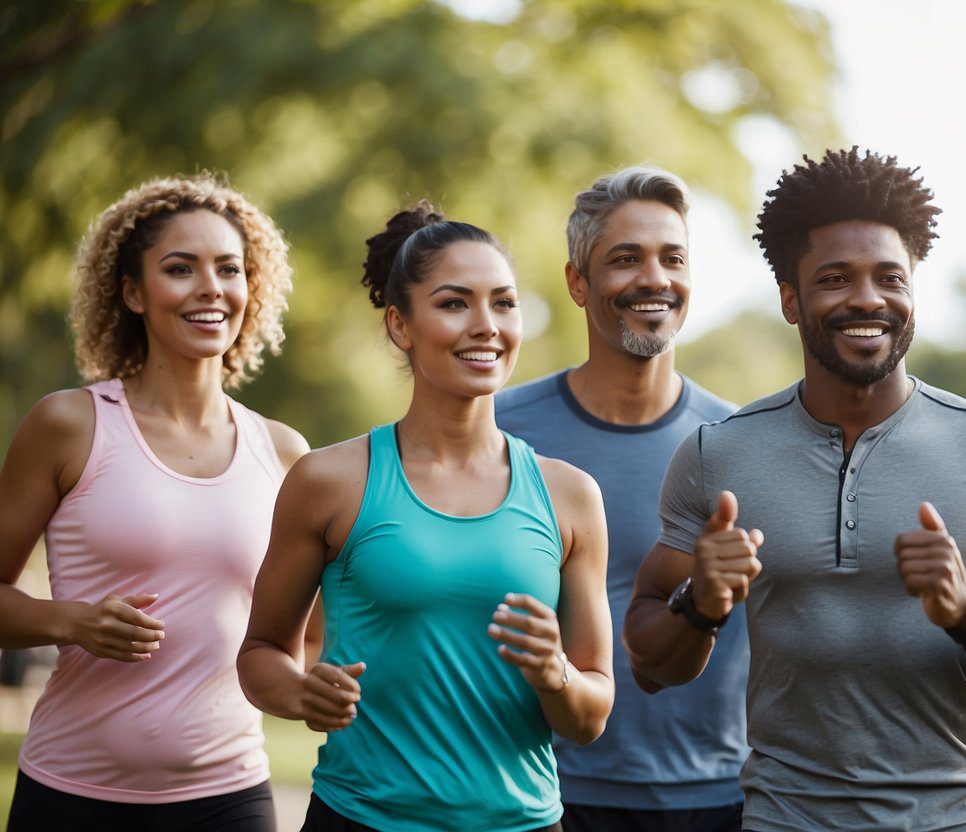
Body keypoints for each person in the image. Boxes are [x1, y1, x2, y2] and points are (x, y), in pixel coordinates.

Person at [623, 147, 966, 832]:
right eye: (834, 278)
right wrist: (698, 603)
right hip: (783, 821)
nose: (866, 299)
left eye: (888, 277)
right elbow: (648, 664)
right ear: (790, 299)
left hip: (959, 819)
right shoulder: (716, 454)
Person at [237, 202, 614, 832]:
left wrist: (556, 674)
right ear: (400, 325)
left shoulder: (571, 496)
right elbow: (260, 653)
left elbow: (590, 715)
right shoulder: (330, 482)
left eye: (505, 302)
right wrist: (303, 693)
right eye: (454, 303)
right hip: (360, 819)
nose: (487, 325)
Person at [0, 173, 308, 832]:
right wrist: (70, 622)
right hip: (71, 794)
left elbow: (303, 640)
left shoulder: (282, 452)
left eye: (229, 268)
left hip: (231, 796)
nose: (210, 288)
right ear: (133, 293)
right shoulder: (69, 425)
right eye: (180, 268)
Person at [496, 167, 747, 832]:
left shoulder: (743, 445)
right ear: (578, 282)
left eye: (672, 258)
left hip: (718, 801)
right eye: (625, 259)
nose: (653, 280)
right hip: (537, 794)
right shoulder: (496, 434)